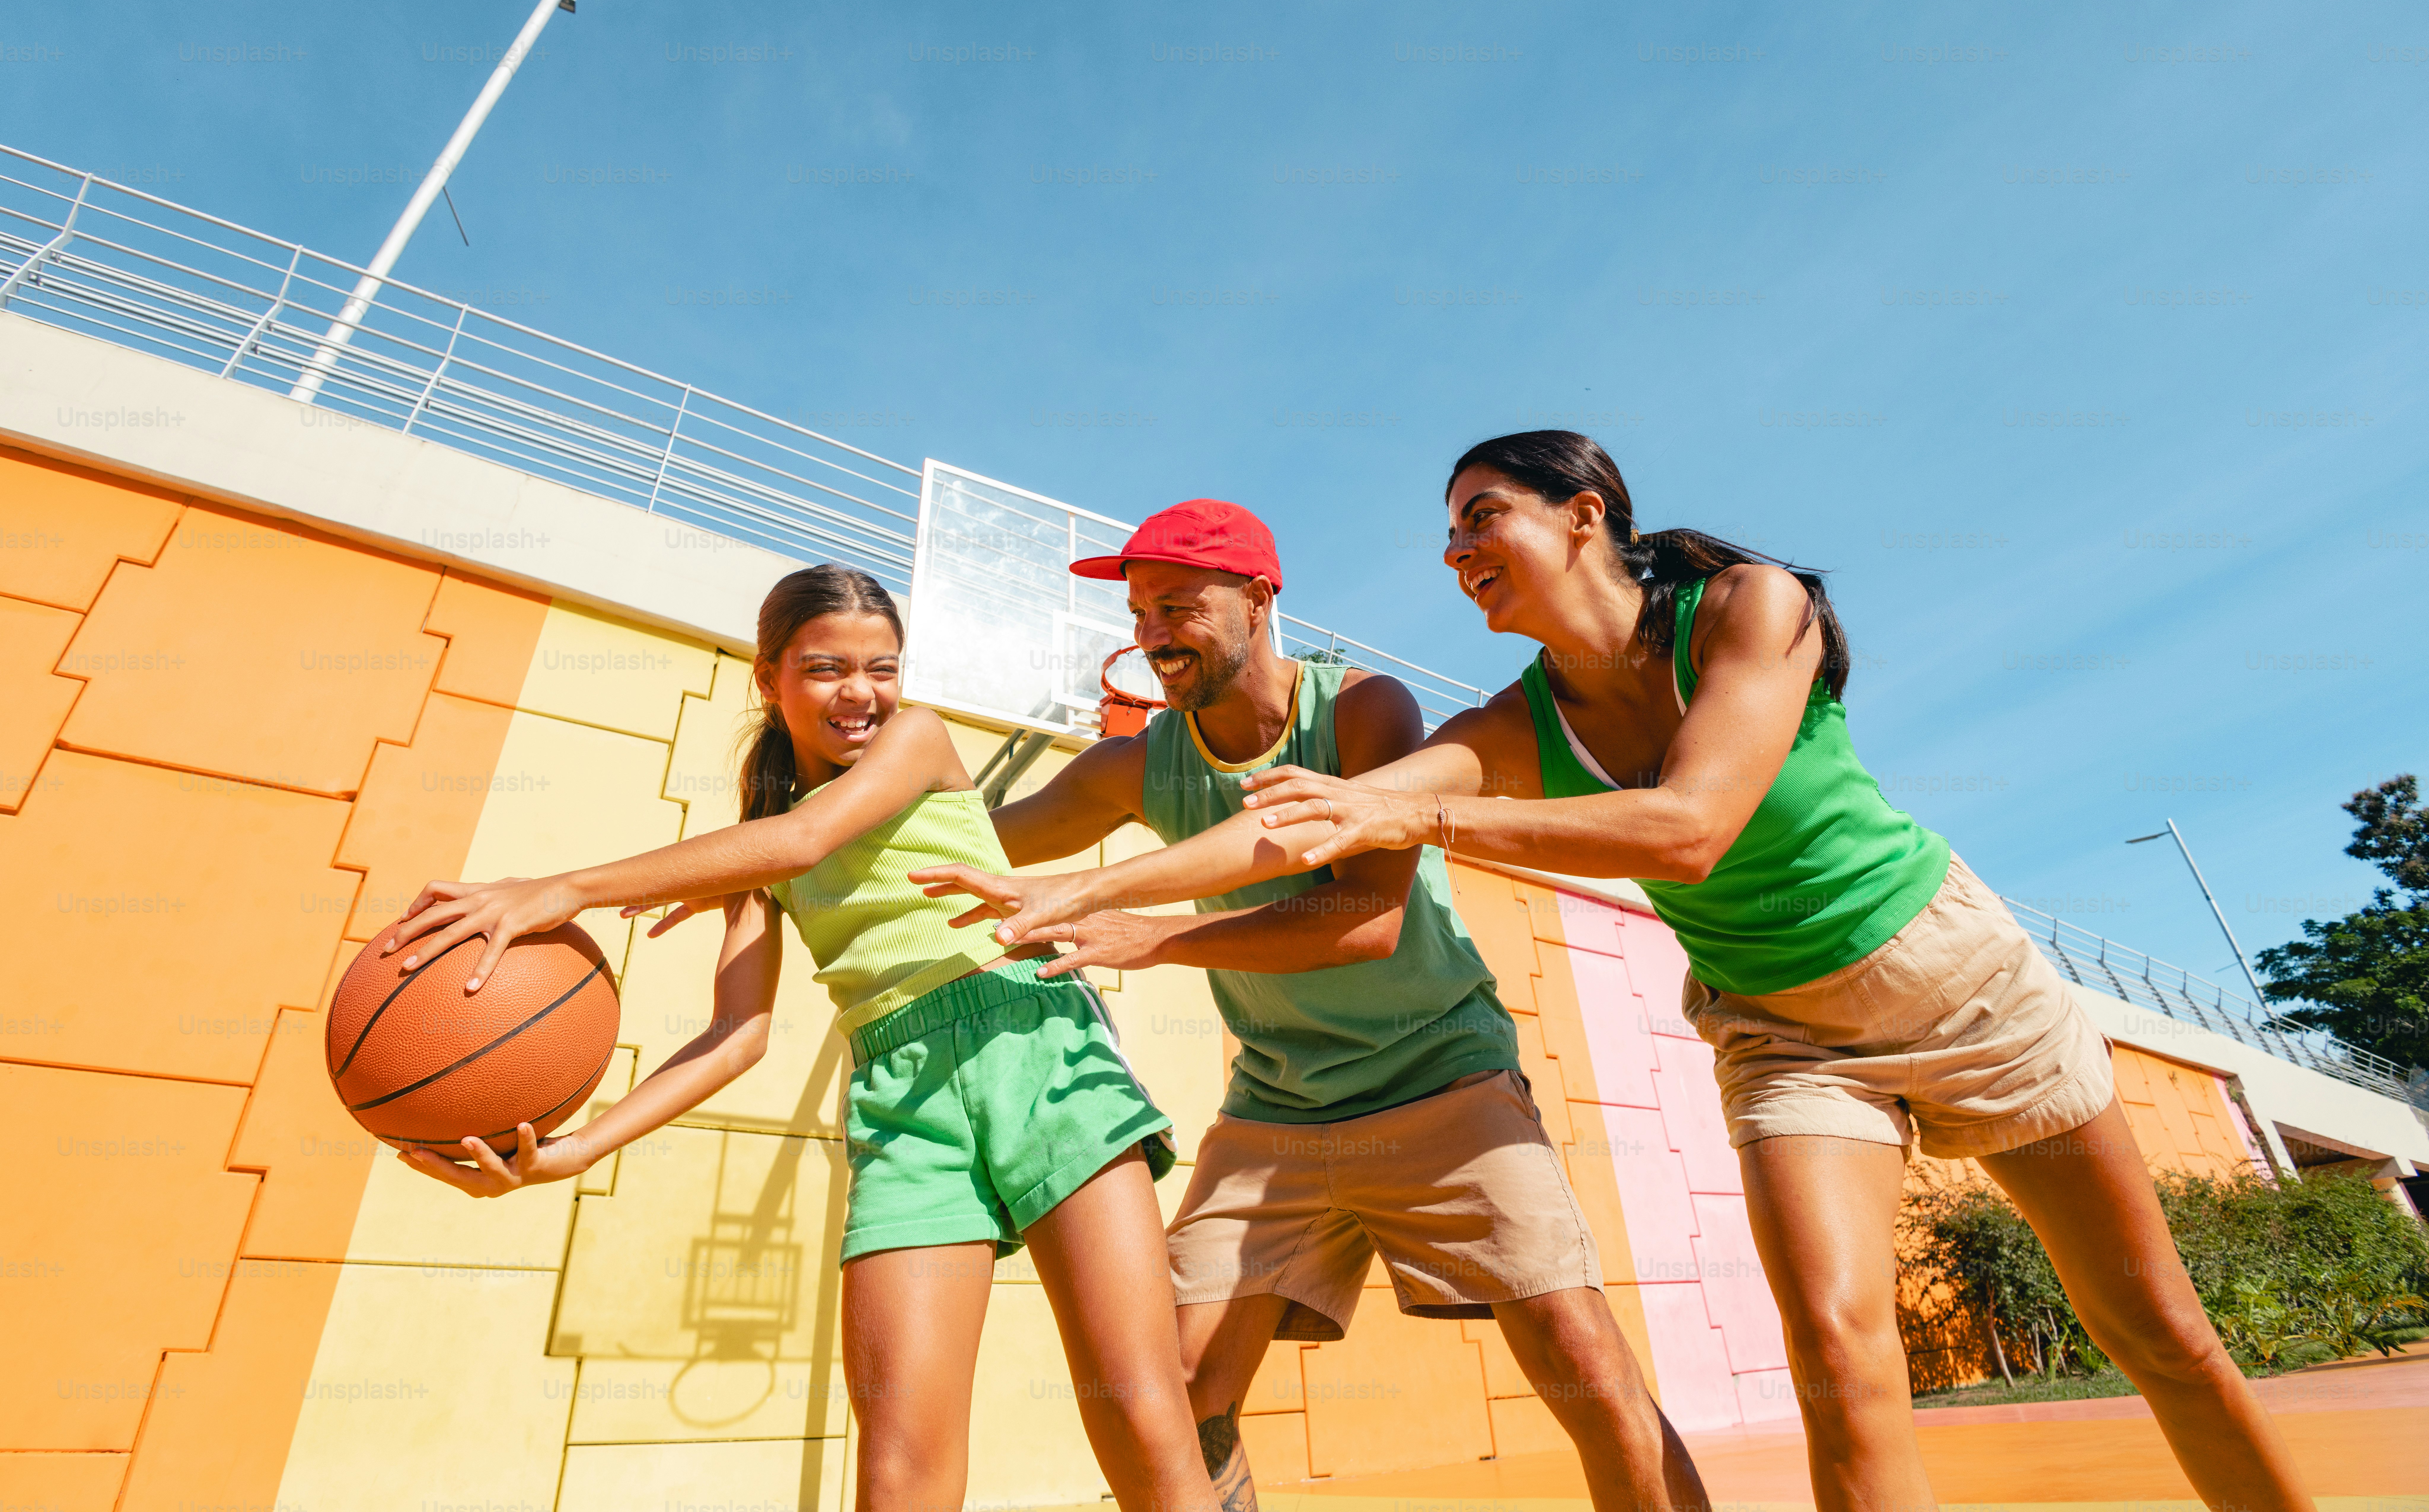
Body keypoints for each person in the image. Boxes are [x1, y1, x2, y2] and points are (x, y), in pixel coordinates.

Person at [943, 434, 2320, 1512]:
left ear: (1584, 511)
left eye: (1481, 516)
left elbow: (1688, 823)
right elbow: (1291, 823)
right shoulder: (1509, 720)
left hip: (1954, 985)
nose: (1455, 551)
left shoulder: (1747, 606)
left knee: (2156, 1334)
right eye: (1446, 536)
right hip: (1786, 1036)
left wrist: (1405, 811)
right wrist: (1081, 893)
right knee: (1841, 1359)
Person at [912, 499, 1710, 1512]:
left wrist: (1152, 937)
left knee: (1584, 1370)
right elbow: (976, 845)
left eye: (1177, 607)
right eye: (1140, 611)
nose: (1151, 632)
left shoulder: (1366, 711)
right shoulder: (1137, 765)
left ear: (1257, 599)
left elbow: (1367, 915)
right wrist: (808, 820)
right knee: (1182, 1395)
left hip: (1441, 1075)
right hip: (1279, 1106)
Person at [379, 565, 1213, 1512]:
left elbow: (809, 840)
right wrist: (571, 1151)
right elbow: (737, 1036)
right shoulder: (756, 841)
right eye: (826, 670)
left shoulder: (916, 740)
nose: (862, 693)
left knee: (1146, 1420)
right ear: (769, 677)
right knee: (899, 1469)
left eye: (882, 667)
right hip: (903, 1101)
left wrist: (564, 887)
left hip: (1035, 1044)